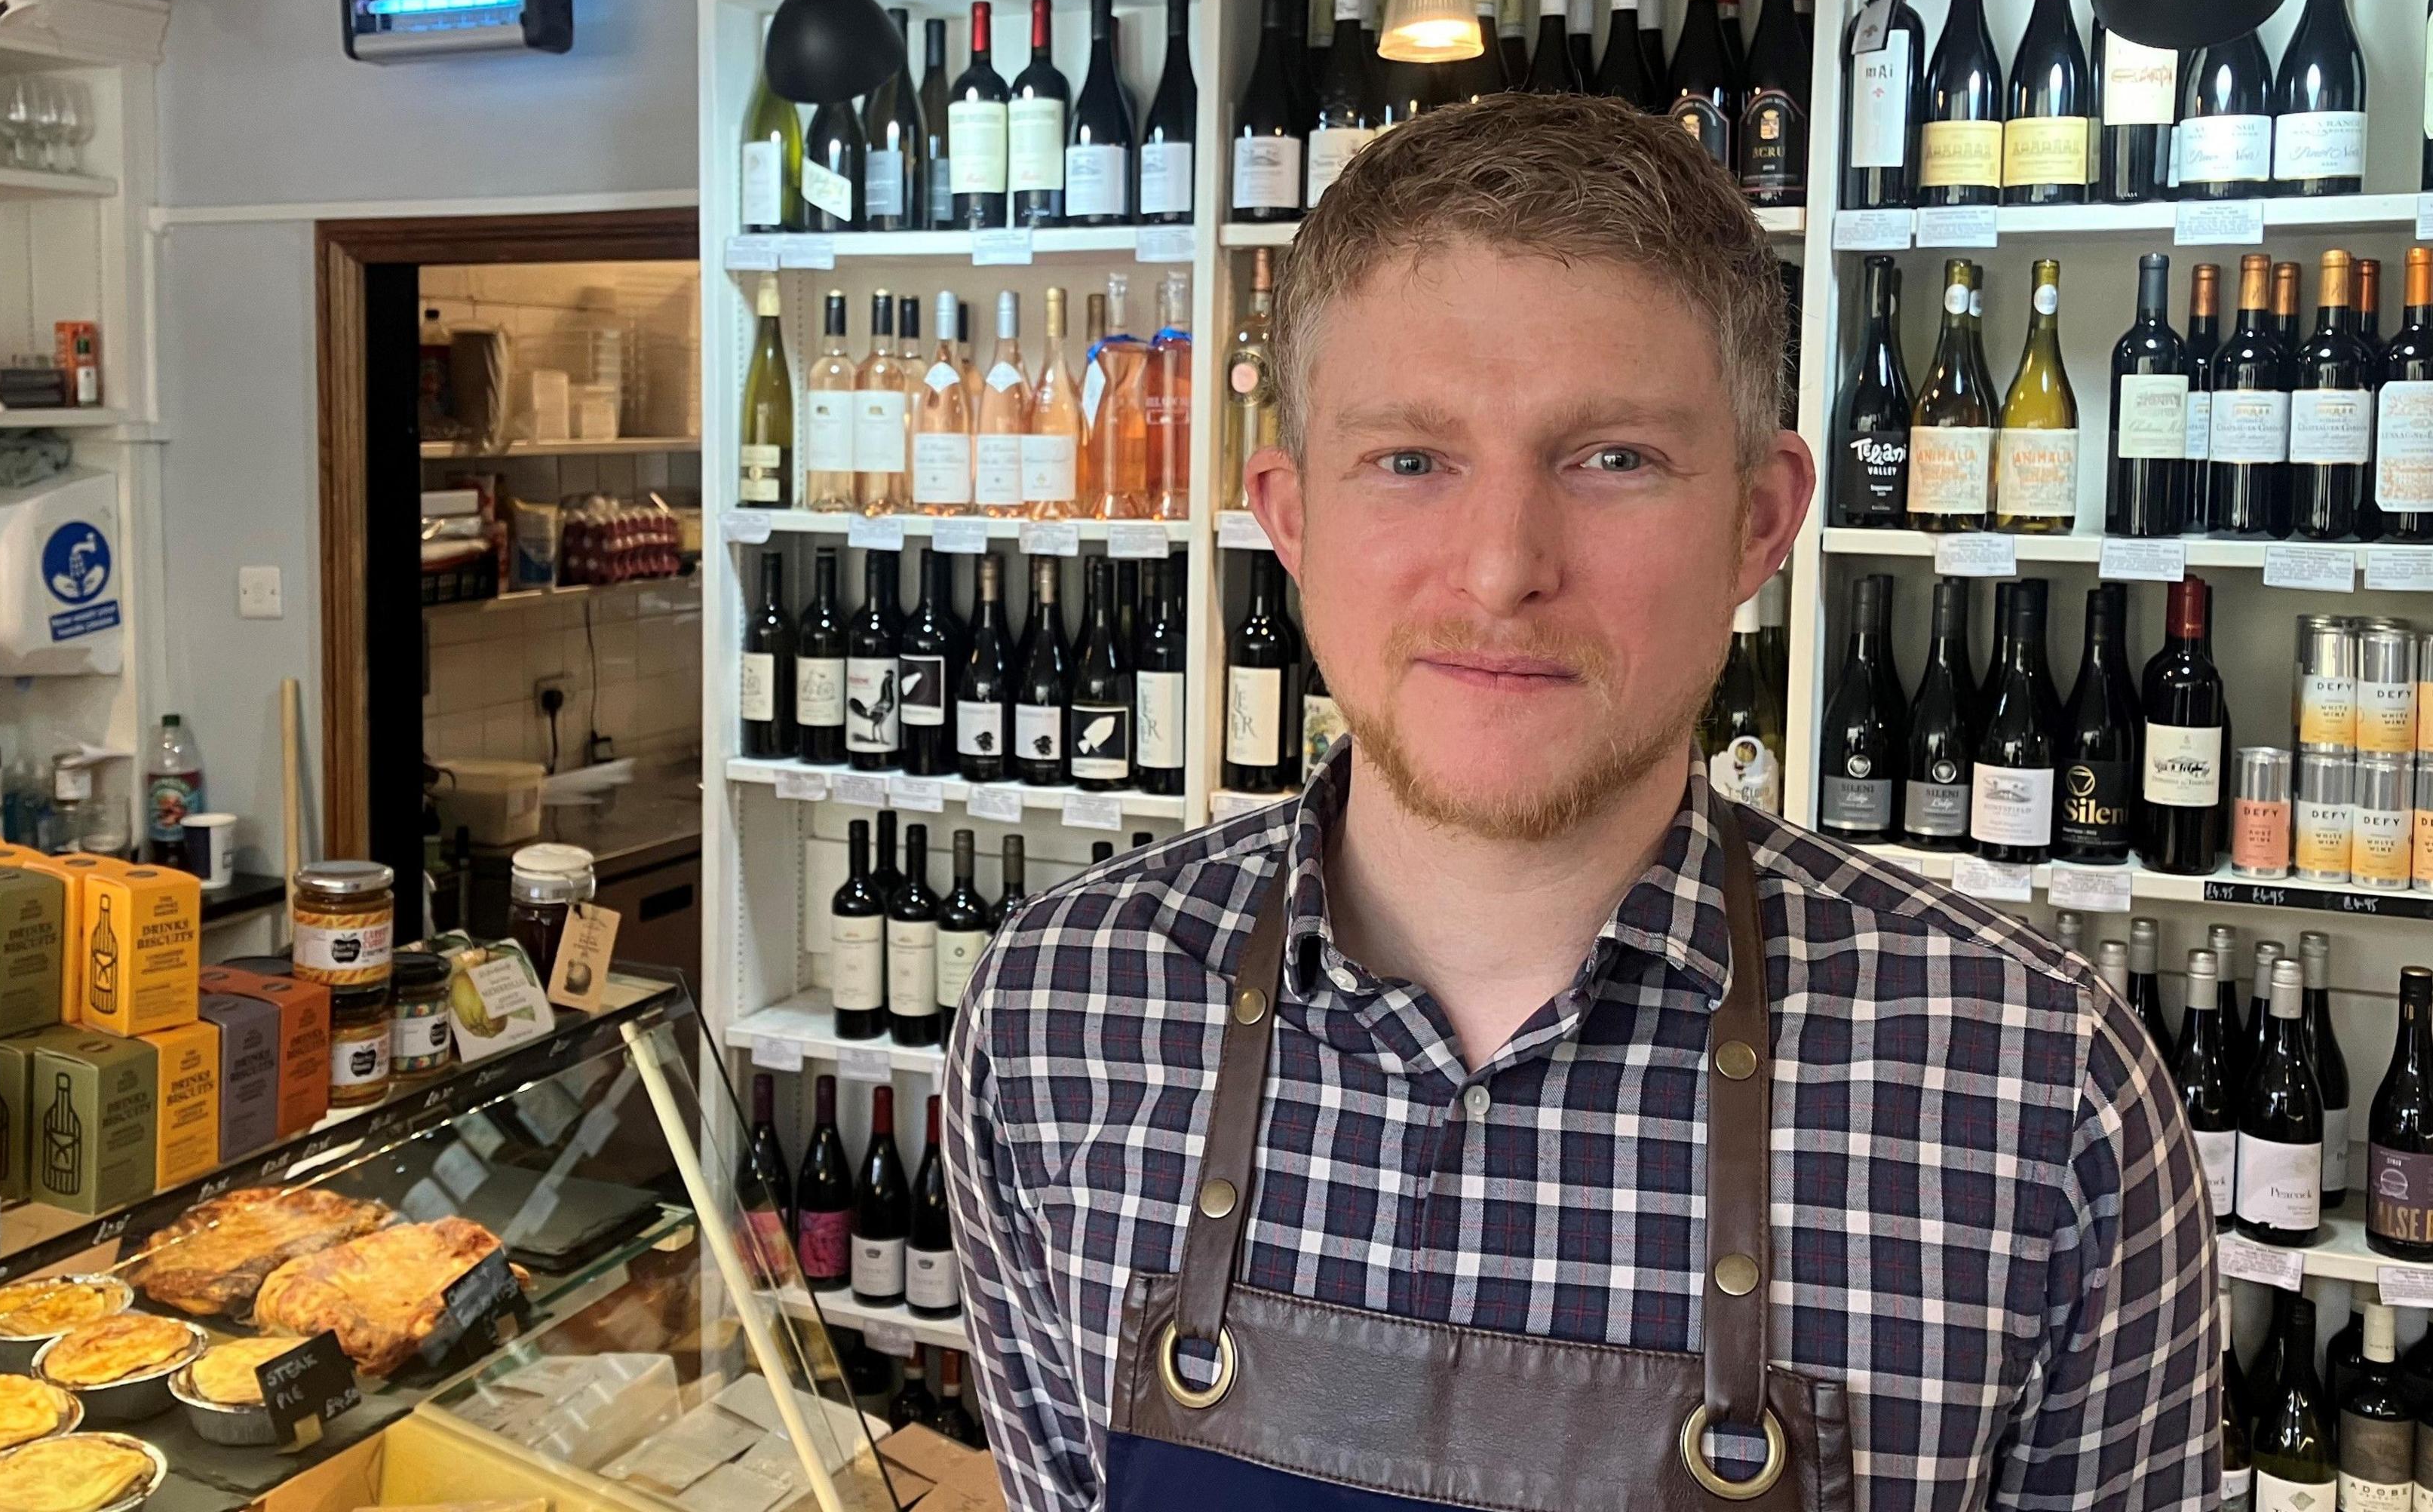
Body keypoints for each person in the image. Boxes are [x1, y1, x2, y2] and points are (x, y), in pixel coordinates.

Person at [942, 93, 2215, 1511]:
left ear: (1758, 521)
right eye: (1409, 460)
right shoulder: (1057, 1014)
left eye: (1612, 458)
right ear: (1291, 520)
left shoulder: (2044, 1095)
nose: (1501, 569)